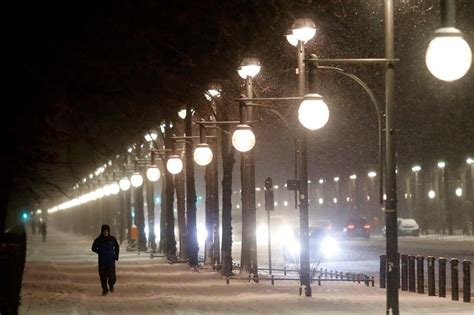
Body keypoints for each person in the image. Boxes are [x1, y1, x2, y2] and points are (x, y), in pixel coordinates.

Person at [91, 224, 120, 296]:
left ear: (109, 231)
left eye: (107, 231)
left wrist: (116, 255)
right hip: (102, 262)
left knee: (112, 277)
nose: (105, 232)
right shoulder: (98, 240)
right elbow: (93, 248)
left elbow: (117, 247)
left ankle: (111, 285)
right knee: (103, 278)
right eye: (104, 231)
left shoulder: (112, 239)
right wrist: (99, 251)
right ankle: (105, 290)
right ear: (102, 231)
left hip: (111, 262)